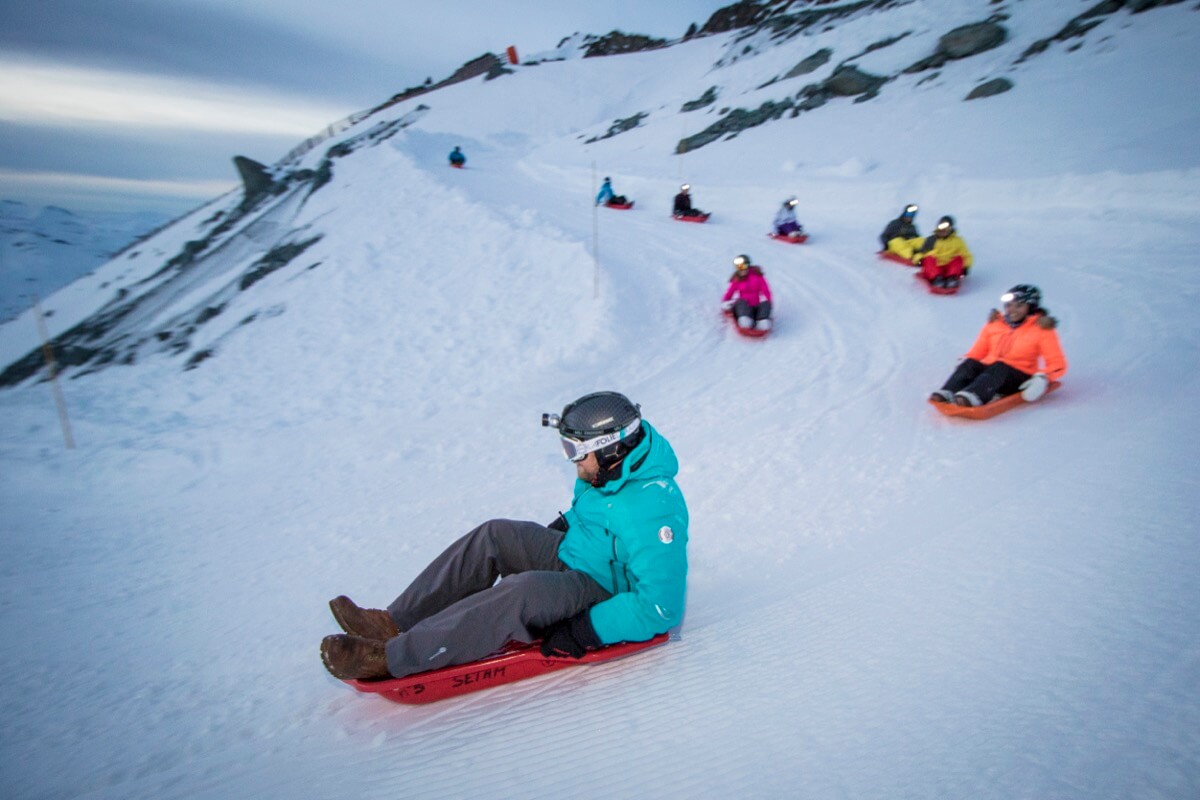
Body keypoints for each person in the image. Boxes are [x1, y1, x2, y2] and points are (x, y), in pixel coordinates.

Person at [320, 391, 689, 681]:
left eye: (577, 452)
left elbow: (661, 606)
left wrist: (587, 628)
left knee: (522, 593)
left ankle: (391, 658)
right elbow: (598, 513)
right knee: (496, 534)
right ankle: (393, 623)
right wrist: (564, 526)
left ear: (611, 448)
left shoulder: (655, 508)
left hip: (602, 589)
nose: (572, 463)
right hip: (576, 553)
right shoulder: (610, 471)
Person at [929, 284, 1067, 407]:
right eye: (1009, 305)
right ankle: (949, 391)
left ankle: (974, 396)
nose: (1012, 310)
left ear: (1030, 308)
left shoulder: (1041, 329)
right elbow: (977, 352)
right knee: (972, 363)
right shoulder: (995, 324)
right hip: (991, 375)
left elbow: (1058, 364)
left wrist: (1043, 378)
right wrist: (964, 363)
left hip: (1019, 378)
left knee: (1000, 366)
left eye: (1019, 306)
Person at [913, 215, 973, 288]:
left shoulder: (957, 241)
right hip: (936, 266)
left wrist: (966, 267)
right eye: (941, 228)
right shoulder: (931, 240)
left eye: (946, 229)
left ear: (950, 230)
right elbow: (921, 253)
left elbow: (966, 255)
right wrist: (918, 260)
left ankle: (952, 278)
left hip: (949, 266)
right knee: (928, 258)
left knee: (958, 258)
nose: (943, 231)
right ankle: (936, 278)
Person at [721, 254, 773, 331]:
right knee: (740, 301)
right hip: (743, 308)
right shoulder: (737, 279)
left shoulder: (758, 276)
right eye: (739, 267)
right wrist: (725, 302)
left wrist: (768, 303)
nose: (742, 270)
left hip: (755, 308)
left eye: (743, 266)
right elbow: (730, 292)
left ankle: (762, 321)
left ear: (748, 266)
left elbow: (766, 290)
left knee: (766, 303)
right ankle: (745, 320)